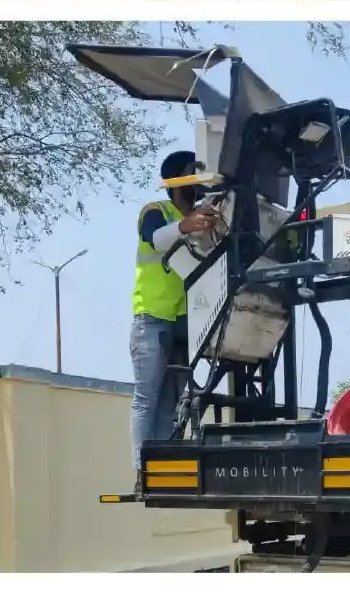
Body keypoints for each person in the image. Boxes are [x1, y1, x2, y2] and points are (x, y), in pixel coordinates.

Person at [131, 149, 220, 467]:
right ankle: (143, 468)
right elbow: (153, 238)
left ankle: (162, 464)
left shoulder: (199, 220)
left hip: (182, 322)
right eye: (194, 178)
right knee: (147, 397)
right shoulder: (155, 210)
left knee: (172, 400)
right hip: (152, 318)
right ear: (179, 182)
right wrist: (186, 226)